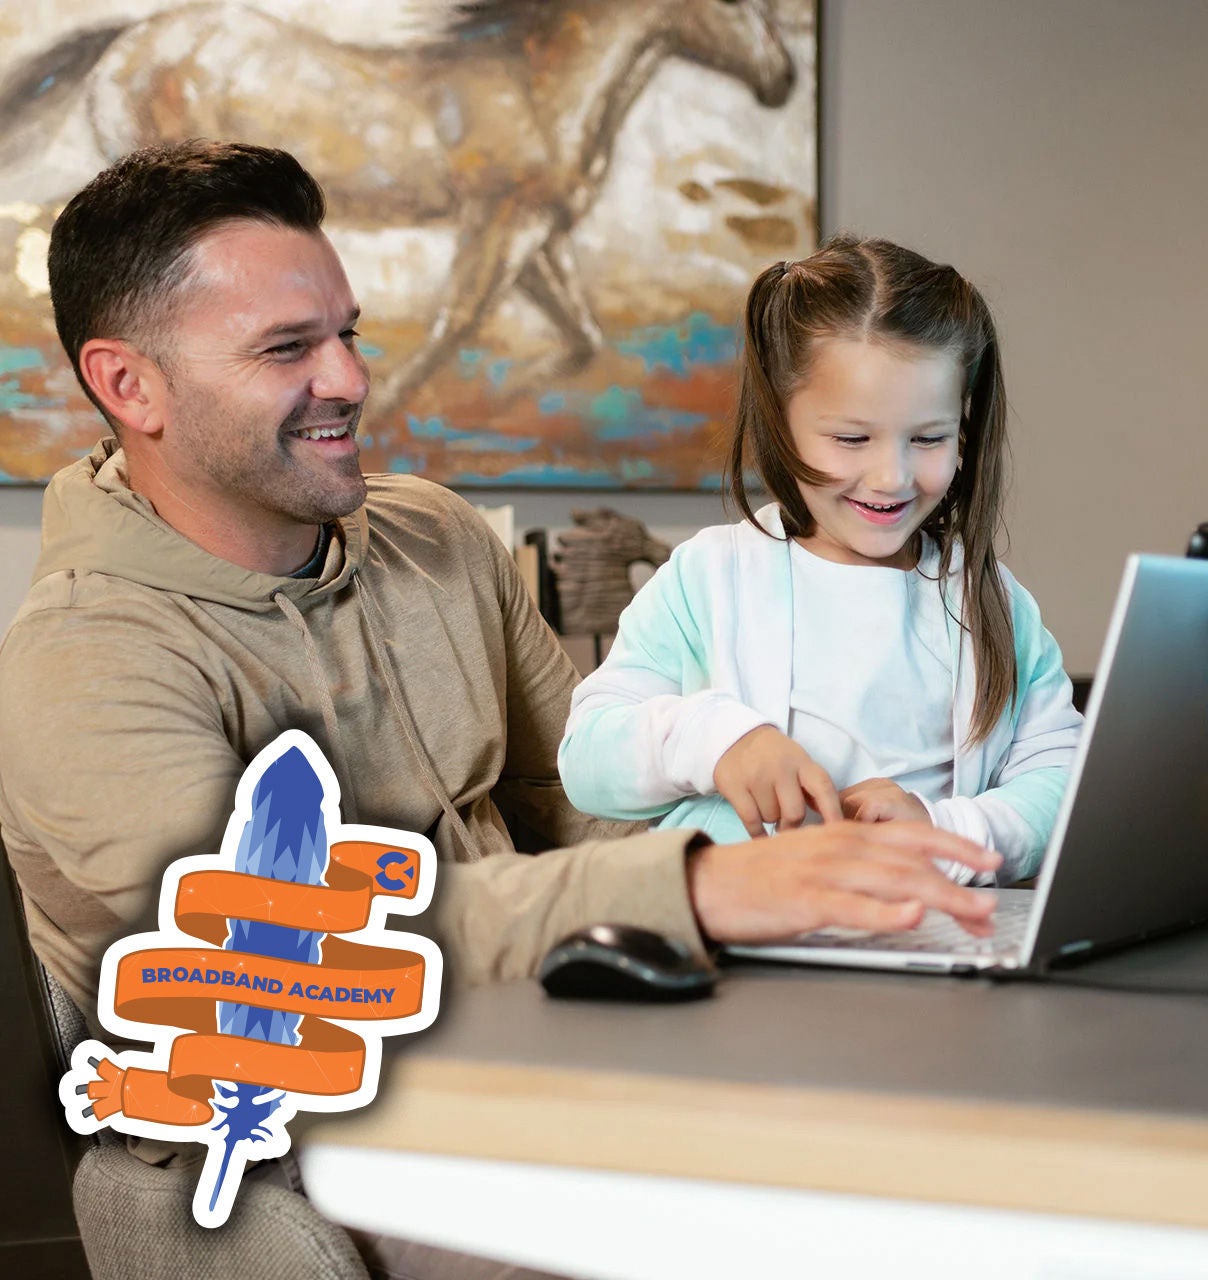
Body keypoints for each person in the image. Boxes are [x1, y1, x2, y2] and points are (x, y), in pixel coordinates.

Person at [0, 146, 1000, 1279]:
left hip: (541, 1048)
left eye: (348, 332)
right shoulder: (80, 658)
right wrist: (700, 889)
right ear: (129, 385)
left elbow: (582, 801)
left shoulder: (435, 536)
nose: (348, 377)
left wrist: (791, 856)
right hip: (302, 1120)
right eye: (287, 347)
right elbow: (294, 946)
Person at [559, 234, 1083, 884]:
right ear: (780, 421)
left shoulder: (990, 598)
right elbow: (587, 755)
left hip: (932, 942)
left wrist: (946, 830)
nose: (891, 476)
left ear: (963, 433)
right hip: (753, 948)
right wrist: (717, 739)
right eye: (850, 438)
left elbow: (1062, 781)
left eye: (928, 438)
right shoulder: (708, 578)